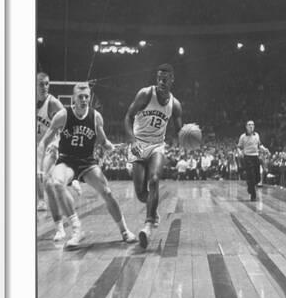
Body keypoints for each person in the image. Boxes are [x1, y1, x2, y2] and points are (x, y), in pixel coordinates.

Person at [38, 82, 136, 247]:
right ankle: (77, 230)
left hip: (87, 162)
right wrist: (40, 166)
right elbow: (44, 142)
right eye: (80, 97)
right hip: (67, 160)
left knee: (107, 192)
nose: (84, 100)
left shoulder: (96, 116)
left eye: (86, 97)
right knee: (56, 183)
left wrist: (109, 146)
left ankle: (124, 230)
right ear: (73, 99)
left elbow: (103, 140)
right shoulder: (63, 115)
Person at [124, 64, 182, 248]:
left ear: (172, 79)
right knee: (141, 193)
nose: (161, 82)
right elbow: (127, 117)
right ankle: (153, 209)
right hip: (139, 143)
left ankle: (148, 226)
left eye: (165, 79)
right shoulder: (146, 94)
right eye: (159, 78)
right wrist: (132, 141)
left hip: (157, 145)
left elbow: (181, 131)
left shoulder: (175, 104)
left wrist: (189, 137)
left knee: (155, 179)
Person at [36, 72, 65, 211]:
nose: (45, 87)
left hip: (50, 144)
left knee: (42, 174)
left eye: (47, 83)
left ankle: (43, 201)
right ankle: (42, 200)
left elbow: (68, 117)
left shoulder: (53, 102)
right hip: (37, 144)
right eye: (41, 84)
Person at [237, 120, 270, 201]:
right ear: (246, 127)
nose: (251, 126)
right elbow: (239, 147)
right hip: (247, 157)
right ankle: (253, 194)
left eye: (252, 125)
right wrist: (240, 152)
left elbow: (259, 145)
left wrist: (265, 149)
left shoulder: (257, 135)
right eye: (249, 125)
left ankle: (250, 186)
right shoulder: (243, 136)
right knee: (251, 175)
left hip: (256, 157)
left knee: (257, 178)